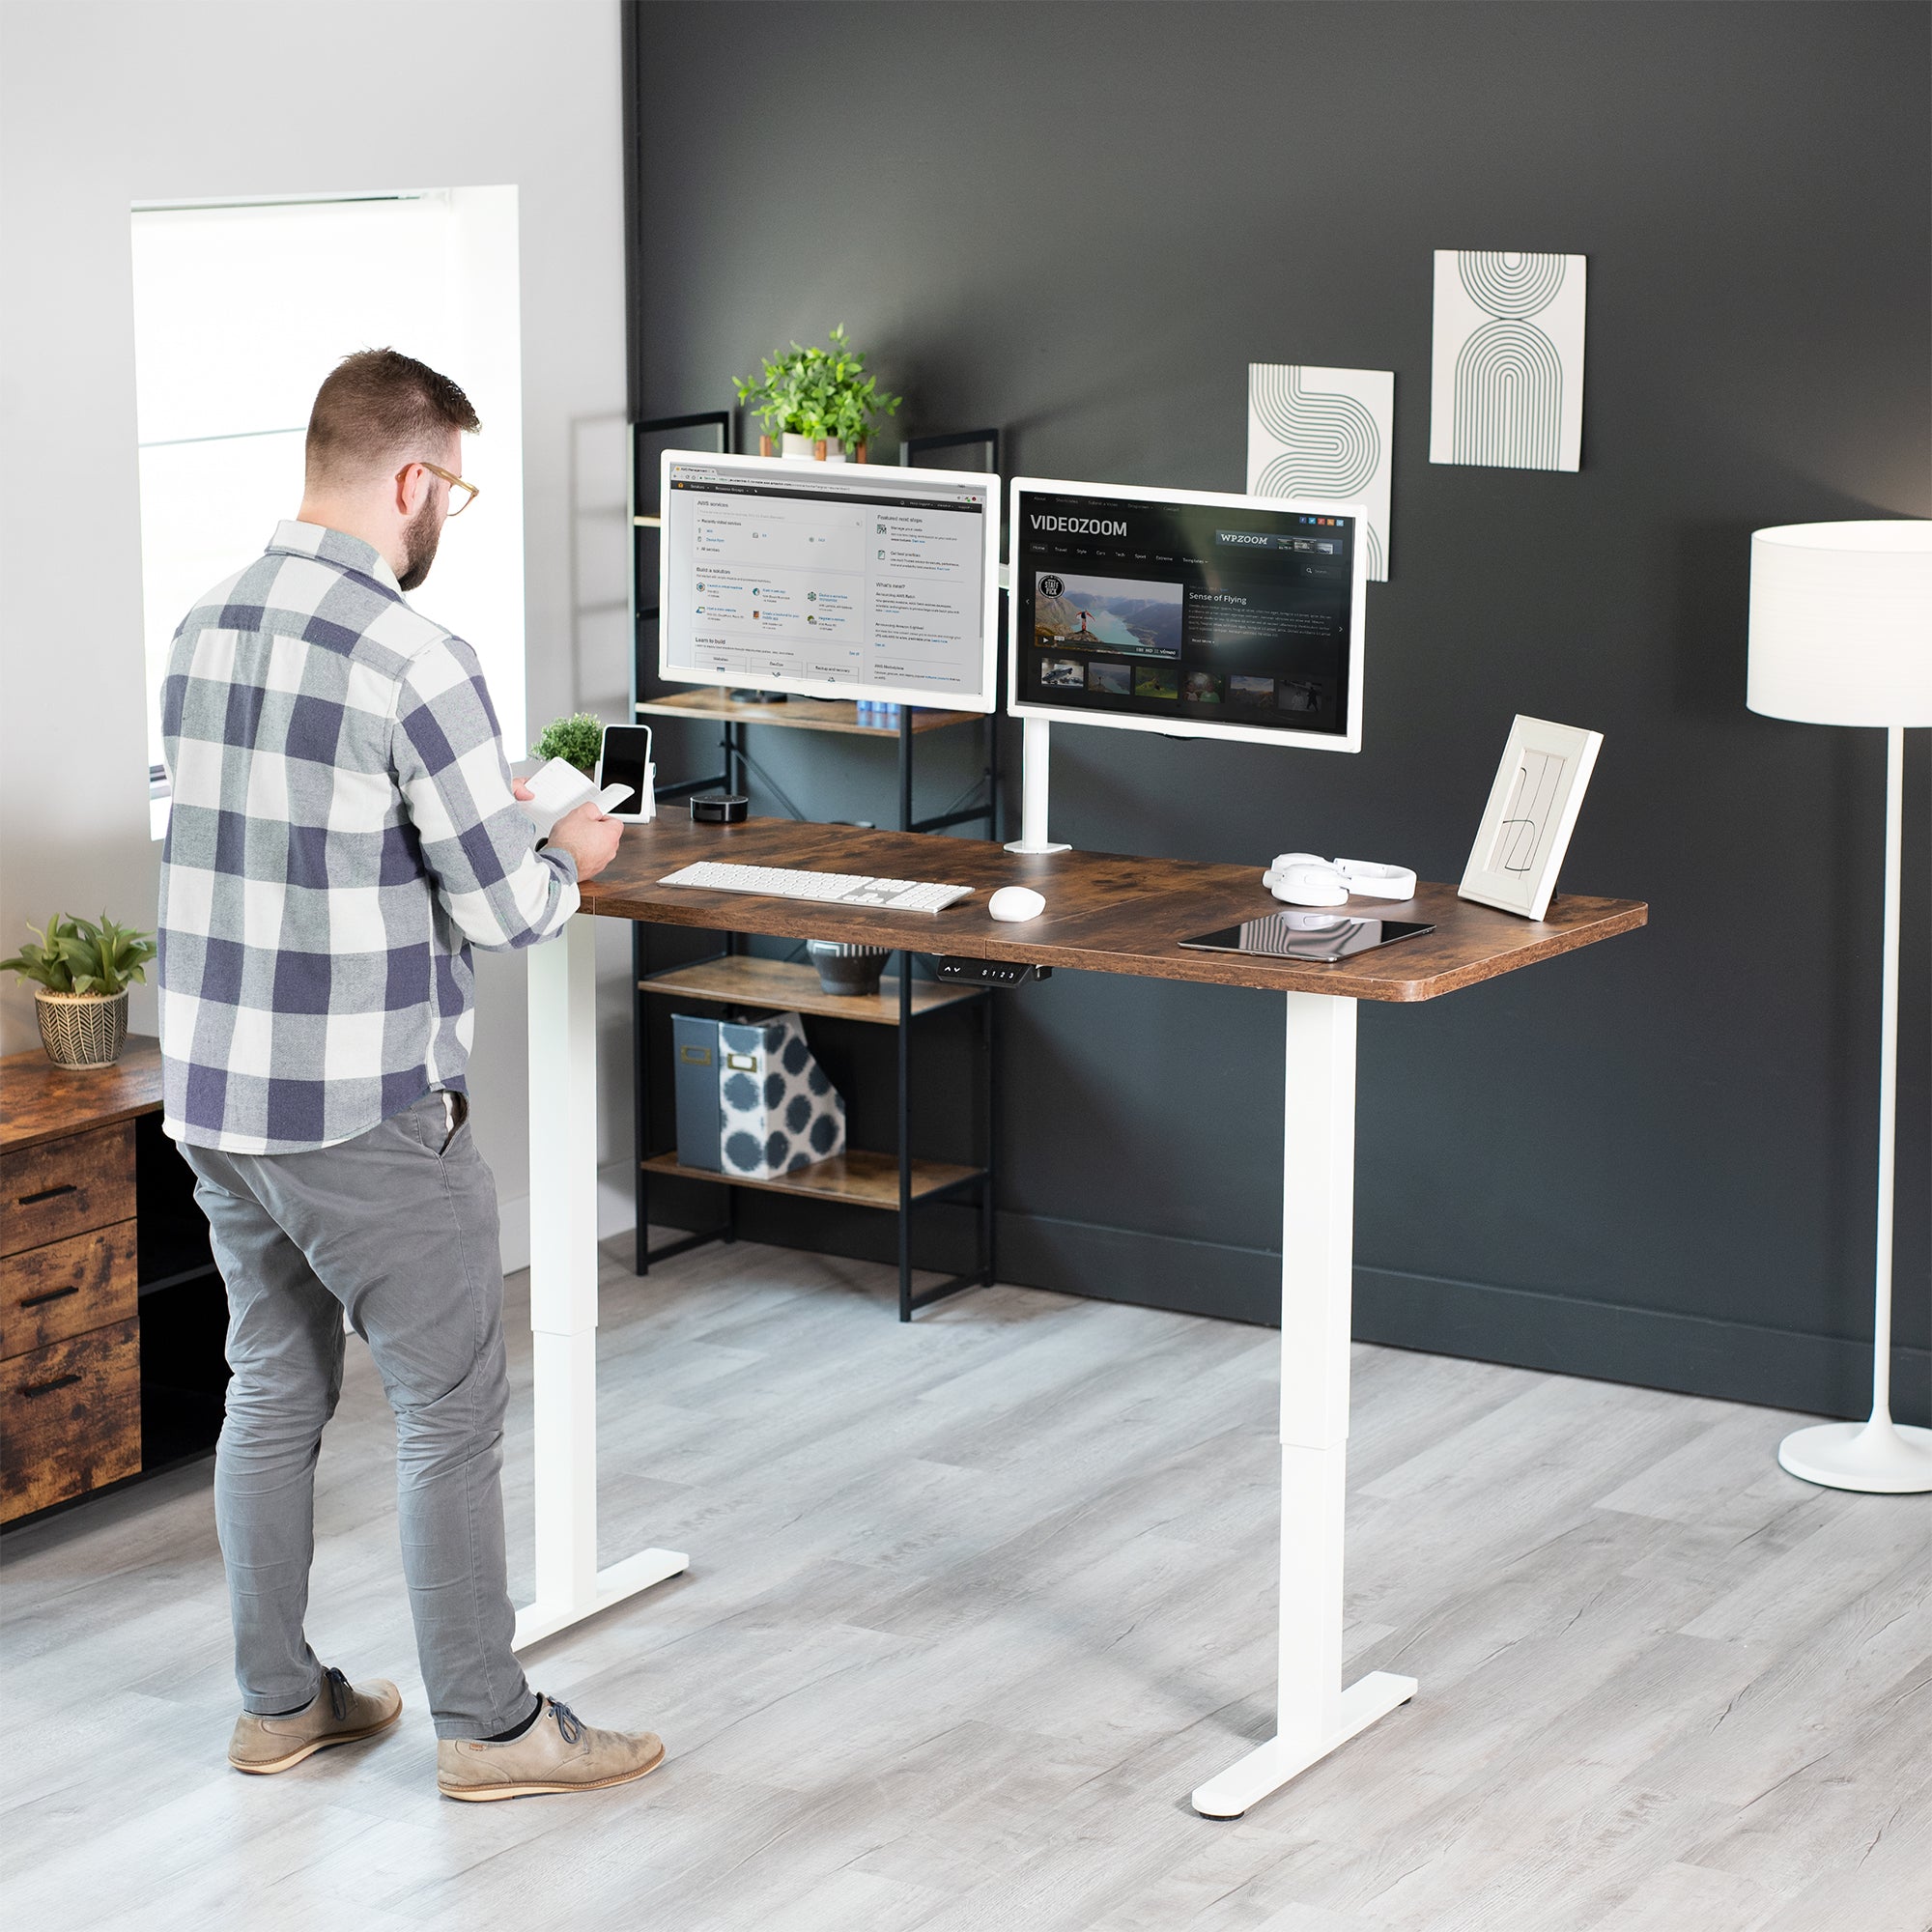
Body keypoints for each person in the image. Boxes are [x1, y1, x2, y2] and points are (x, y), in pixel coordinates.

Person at [157, 348, 663, 1802]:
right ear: (412, 479)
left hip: (218, 1102)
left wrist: (461, 825)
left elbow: (290, 846)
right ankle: (492, 1729)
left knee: (270, 1386)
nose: (449, 517)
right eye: (456, 489)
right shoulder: (415, 657)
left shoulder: (203, 623)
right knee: (448, 1407)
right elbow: (502, 912)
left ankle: (278, 1705)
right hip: (361, 1109)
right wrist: (566, 851)